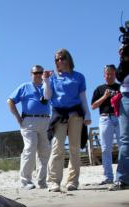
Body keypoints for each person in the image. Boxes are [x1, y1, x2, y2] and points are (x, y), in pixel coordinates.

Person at [43, 49, 92, 192]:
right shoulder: (52, 78)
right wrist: (46, 80)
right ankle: (53, 181)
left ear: (68, 59)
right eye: (57, 59)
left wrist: (87, 114)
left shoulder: (79, 77)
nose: (60, 61)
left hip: (76, 114)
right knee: (57, 148)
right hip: (59, 114)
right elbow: (47, 96)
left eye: (62, 58)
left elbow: (83, 98)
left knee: (74, 148)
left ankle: (72, 181)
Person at [8, 65, 51, 190]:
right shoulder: (24, 87)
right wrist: (17, 117)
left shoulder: (47, 86)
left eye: (40, 73)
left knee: (44, 151)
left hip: (45, 120)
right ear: (31, 74)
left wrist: (48, 79)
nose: (38, 75)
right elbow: (10, 101)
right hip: (29, 121)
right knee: (30, 148)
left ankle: (42, 181)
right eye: (35, 73)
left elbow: (50, 97)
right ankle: (25, 181)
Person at [91, 64, 121, 185]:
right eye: (107, 74)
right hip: (105, 118)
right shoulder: (99, 89)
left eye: (112, 73)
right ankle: (108, 176)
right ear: (104, 75)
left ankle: (122, 176)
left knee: (123, 147)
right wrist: (105, 96)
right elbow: (93, 106)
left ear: (115, 74)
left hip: (120, 118)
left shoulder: (121, 87)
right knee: (105, 149)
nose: (109, 76)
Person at [109, 43, 129, 190]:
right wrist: (124, 57)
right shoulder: (125, 58)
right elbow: (120, 76)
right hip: (127, 95)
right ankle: (122, 179)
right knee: (126, 138)